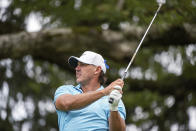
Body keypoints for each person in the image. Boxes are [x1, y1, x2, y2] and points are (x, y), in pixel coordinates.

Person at [54, 51, 126, 131]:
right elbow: (66, 104)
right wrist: (104, 92)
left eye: (82, 65)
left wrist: (113, 108)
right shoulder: (66, 90)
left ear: (97, 70)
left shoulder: (114, 99)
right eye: (77, 65)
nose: (77, 68)